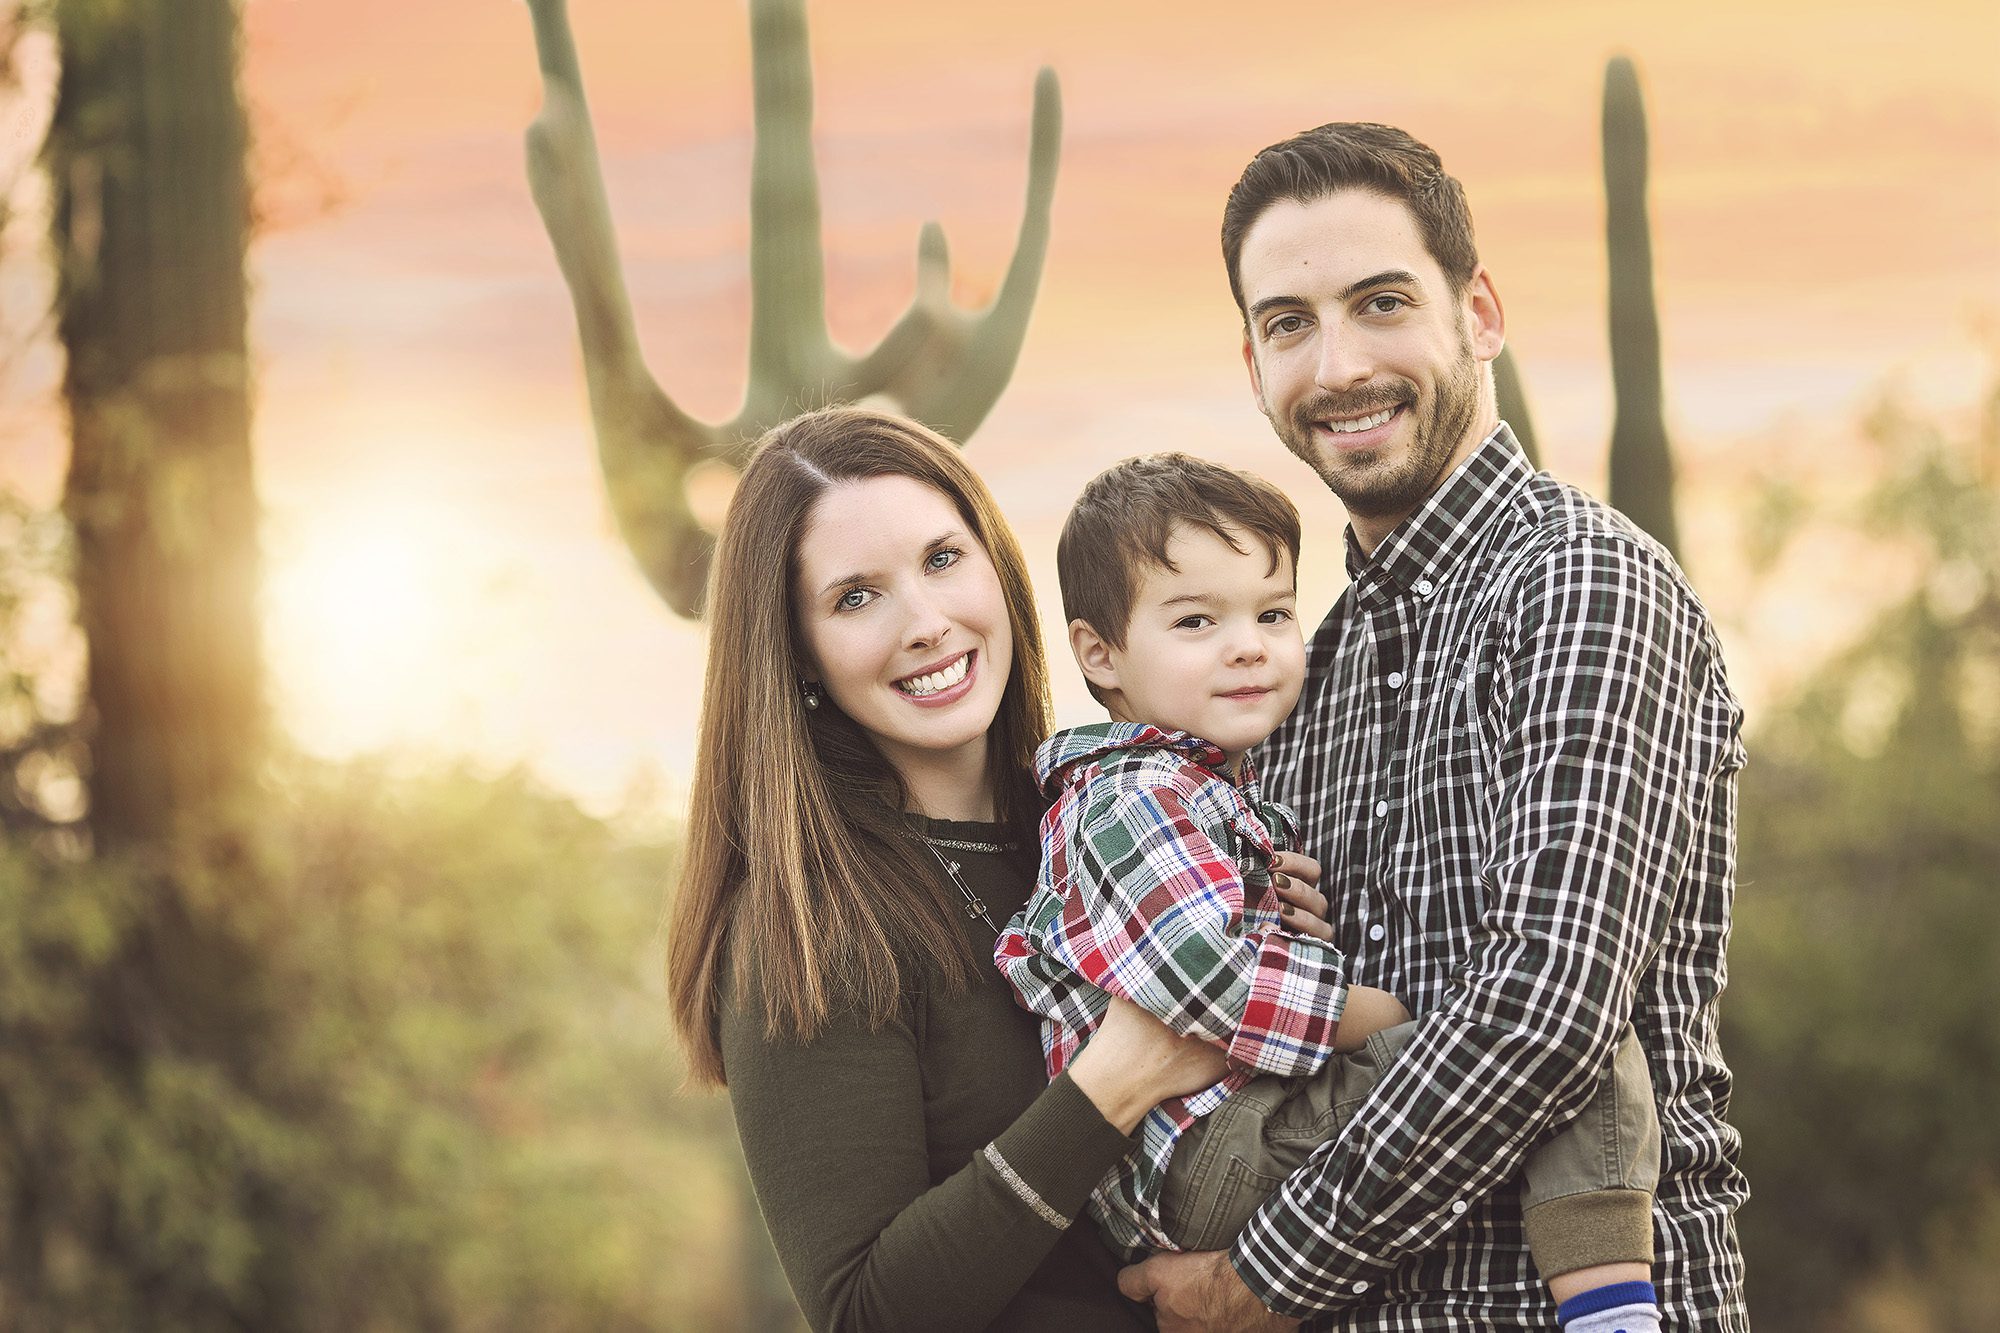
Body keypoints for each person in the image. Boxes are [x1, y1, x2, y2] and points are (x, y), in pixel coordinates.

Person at [1118, 123, 1750, 1331]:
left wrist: (1264, 1277)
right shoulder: (1300, 670)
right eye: (1289, 322)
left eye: (1380, 302)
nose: (1338, 363)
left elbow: (1547, 1004)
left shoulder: (1579, 584)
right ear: (1251, 362)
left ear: (1479, 312)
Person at [664, 406, 1334, 1332]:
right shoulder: (808, 930)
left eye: (943, 559)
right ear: (799, 650)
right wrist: (1114, 1082)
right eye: (856, 597)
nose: (929, 622)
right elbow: (864, 1314)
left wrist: (1280, 922)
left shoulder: (1113, 819)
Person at [996, 452, 1662, 1330]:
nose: (1249, 644)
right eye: (1196, 620)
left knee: (1537, 1041)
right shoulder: (1130, 796)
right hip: (1209, 1144)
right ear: (1100, 652)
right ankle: (1615, 1313)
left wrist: (1290, 927)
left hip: (1222, 1134)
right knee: (1573, 1046)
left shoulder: (1208, 791)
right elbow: (1207, 976)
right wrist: (1376, 1012)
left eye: (1273, 613)